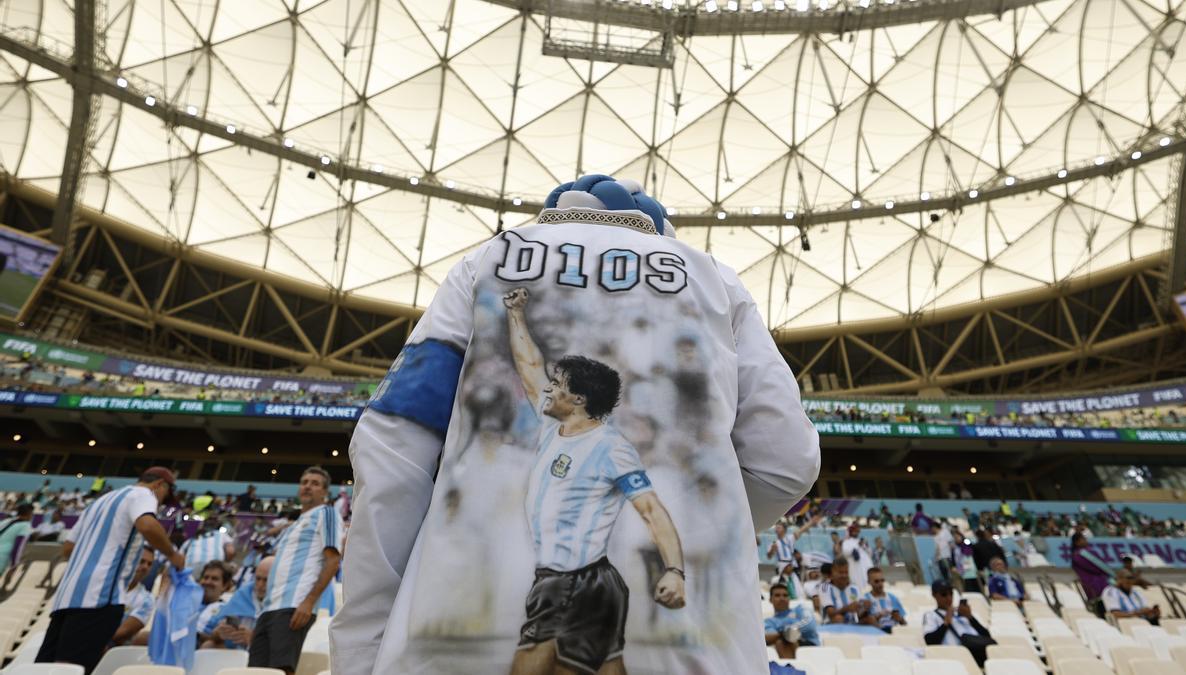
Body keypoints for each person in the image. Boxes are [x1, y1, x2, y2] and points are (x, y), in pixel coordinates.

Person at [330, 176, 821, 675]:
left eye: (558, 386)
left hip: (565, 586)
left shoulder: (488, 260)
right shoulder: (715, 279)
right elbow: (787, 461)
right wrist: (715, 528)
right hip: (638, 615)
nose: (547, 390)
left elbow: (392, 444)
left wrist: (361, 643)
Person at [503, 288, 686, 674]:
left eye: (558, 384)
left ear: (579, 399)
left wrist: (674, 570)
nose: (548, 387)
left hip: (574, 584)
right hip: (578, 582)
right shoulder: (552, 428)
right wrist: (516, 315)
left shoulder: (609, 447)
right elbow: (528, 364)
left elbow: (651, 509)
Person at [36, 467, 186, 672]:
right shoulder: (143, 494)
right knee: (73, 668)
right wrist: (173, 555)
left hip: (67, 597)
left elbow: (68, 548)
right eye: (163, 498)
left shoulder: (100, 502)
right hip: (100, 596)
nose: (159, 505)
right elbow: (148, 526)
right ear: (160, 485)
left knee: (46, 668)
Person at [250, 467, 342, 675]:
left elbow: (333, 559)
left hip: (294, 604)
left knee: (282, 670)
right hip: (269, 608)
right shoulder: (293, 524)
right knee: (255, 671)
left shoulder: (326, 513)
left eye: (315, 483)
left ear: (325, 492)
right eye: (304, 482)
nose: (308, 486)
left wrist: (308, 602)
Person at [207, 556, 275, 650]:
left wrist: (253, 640)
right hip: (236, 654)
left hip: (264, 659)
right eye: (258, 579)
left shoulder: (285, 602)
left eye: (266, 580)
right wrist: (219, 633)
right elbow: (211, 635)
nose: (260, 585)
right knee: (208, 645)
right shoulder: (242, 595)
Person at [923, 580, 991, 664]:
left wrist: (970, 618)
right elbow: (930, 641)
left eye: (951, 594)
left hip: (978, 653)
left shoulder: (962, 613)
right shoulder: (931, 615)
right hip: (955, 657)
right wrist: (946, 623)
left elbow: (987, 636)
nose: (949, 598)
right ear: (934, 595)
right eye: (944, 594)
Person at [111, 547, 157, 646]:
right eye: (141, 561)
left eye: (149, 564)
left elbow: (122, 633)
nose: (145, 567)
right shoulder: (107, 583)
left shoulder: (147, 599)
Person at [764, 583, 819, 659]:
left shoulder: (800, 609)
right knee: (783, 641)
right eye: (777, 595)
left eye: (785, 595)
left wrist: (786, 631)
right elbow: (769, 638)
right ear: (770, 600)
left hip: (810, 647)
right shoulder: (769, 622)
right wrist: (786, 634)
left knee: (787, 639)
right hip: (786, 646)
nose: (782, 598)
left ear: (789, 598)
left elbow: (810, 626)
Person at [820, 557, 871, 625]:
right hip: (831, 625)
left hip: (853, 623)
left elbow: (860, 611)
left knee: (870, 619)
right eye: (841, 572)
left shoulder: (854, 588)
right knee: (838, 618)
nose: (844, 575)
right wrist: (847, 608)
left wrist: (865, 606)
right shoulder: (825, 588)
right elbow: (830, 613)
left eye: (846, 572)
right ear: (832, 572)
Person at [197, 561, 236, 644]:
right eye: (205, 577)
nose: (207, 582)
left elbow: (217, 642)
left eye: (214, 579)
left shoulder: (226, 611)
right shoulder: (188, 602)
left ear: (225, 586)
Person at [1070, 533, 1115, 605]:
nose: (1086, 541)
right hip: (1095, 583)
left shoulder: (1084, 552)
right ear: (1077, 542)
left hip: (1098, 581)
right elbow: (1097, 568)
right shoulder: (1079, 555)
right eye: (1083, 539)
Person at [866, 567, 906, 632]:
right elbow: (863, 622)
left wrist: (899, 618)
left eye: (882, 580)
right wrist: (878, 616)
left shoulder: (893, 598)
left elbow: (904, 624)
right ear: (869, 582)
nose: (880, 584)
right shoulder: (865, 599)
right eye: (876, 581)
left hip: (894, 633)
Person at [0, 503, 34, 578]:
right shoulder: (26, 526)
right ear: (29, 514)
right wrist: (14, 565)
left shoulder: (7, 521)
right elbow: (18, 546)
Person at [840, 523, 870, 589]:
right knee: (855, 582)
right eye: (854, 531)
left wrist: (866, 545)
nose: (855, 533)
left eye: (857, 531)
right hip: (854, 565)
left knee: (866, 579)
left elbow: (869, 552)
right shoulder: (847, 542)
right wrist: (856, 547)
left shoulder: (861, 541)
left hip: (864, 565)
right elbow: (845, 552)